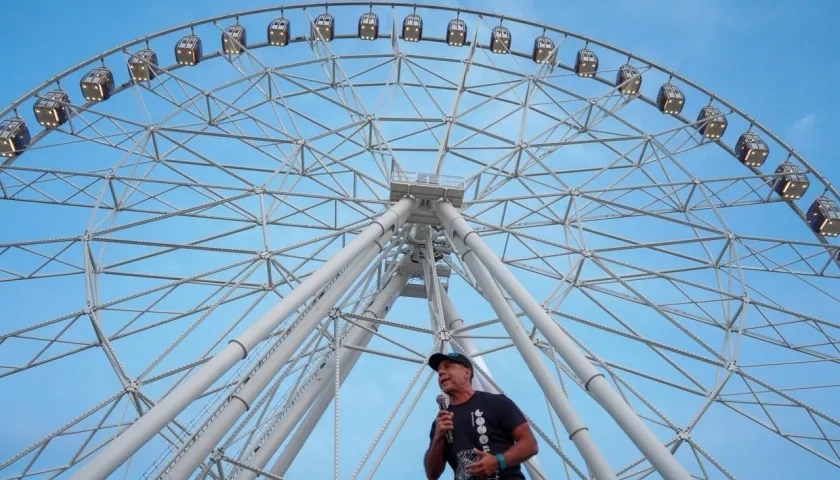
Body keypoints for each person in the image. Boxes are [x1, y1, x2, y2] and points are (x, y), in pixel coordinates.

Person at [423, 352, 538, 480]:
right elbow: (432, 474)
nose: (441, 373)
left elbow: (529, 444)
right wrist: (438, 437)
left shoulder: (496, 403)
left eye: (448, 367)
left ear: (467, 373)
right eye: (439, 371)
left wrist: (498, 461)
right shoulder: (441, 423)